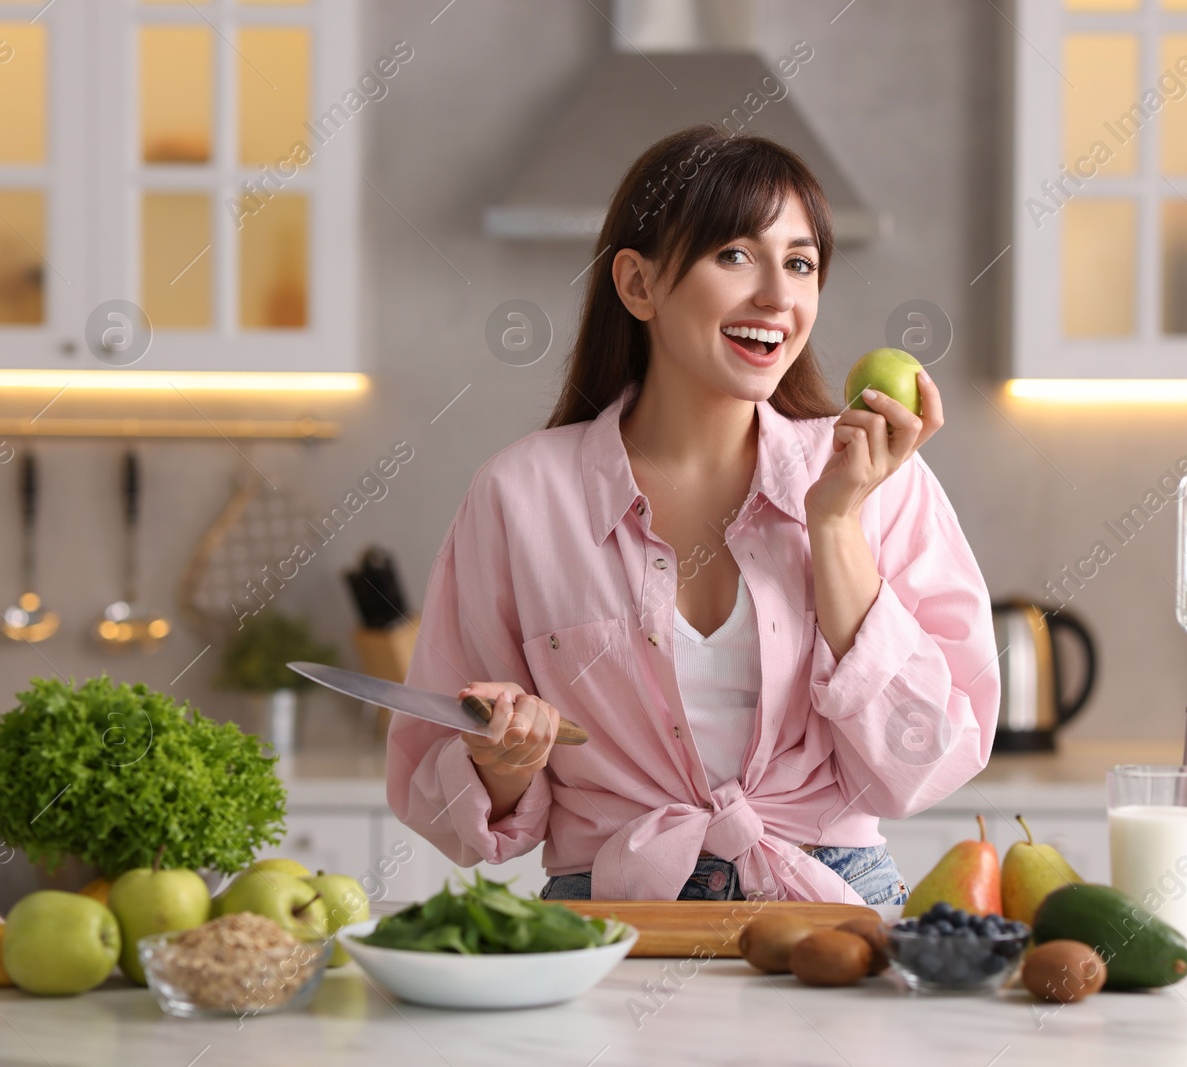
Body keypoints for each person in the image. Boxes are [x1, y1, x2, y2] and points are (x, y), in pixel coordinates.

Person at [386, 125, 1000, 904]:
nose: (778, 296)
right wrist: (503, 761)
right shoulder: (520, 494)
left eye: (801, 262)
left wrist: (837, 524)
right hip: (610, 912)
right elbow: (435, 784)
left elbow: (926, 759)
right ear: (638, 285)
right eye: (735, 254)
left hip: (830, 902)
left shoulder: (879, 481)